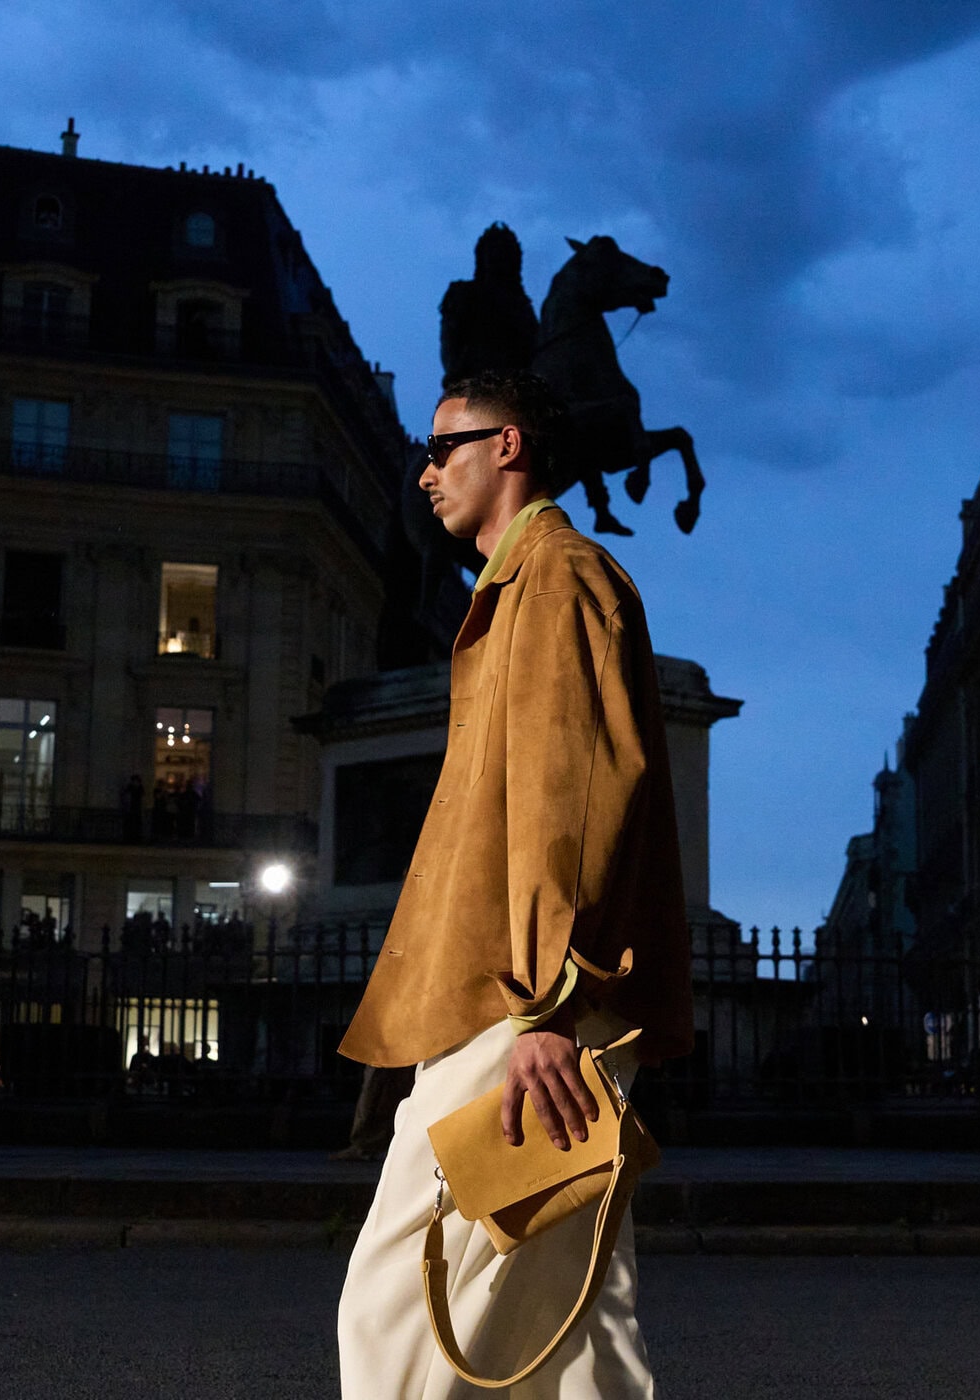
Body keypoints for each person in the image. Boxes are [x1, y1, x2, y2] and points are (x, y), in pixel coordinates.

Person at [335, 370, 691, 1397]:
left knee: (398, 1296)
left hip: (521, 1003)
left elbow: (567, 799)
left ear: (510, 446)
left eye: (443, 447)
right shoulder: (529, 584)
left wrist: (548, 1004)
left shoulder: (555, 579)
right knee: (569, 1309)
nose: (425, 472)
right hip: (524, 992)